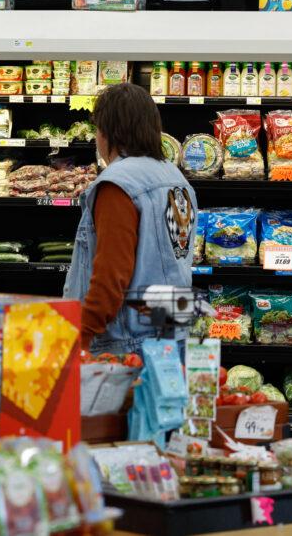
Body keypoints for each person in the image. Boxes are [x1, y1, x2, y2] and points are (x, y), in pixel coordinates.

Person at [64, 83, 196, 355]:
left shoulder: (118, 185)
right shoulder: (176, 178)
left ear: (107, 131)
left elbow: (111, 275)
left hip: (128, 344)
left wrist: (81, 335)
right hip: (173, 332)